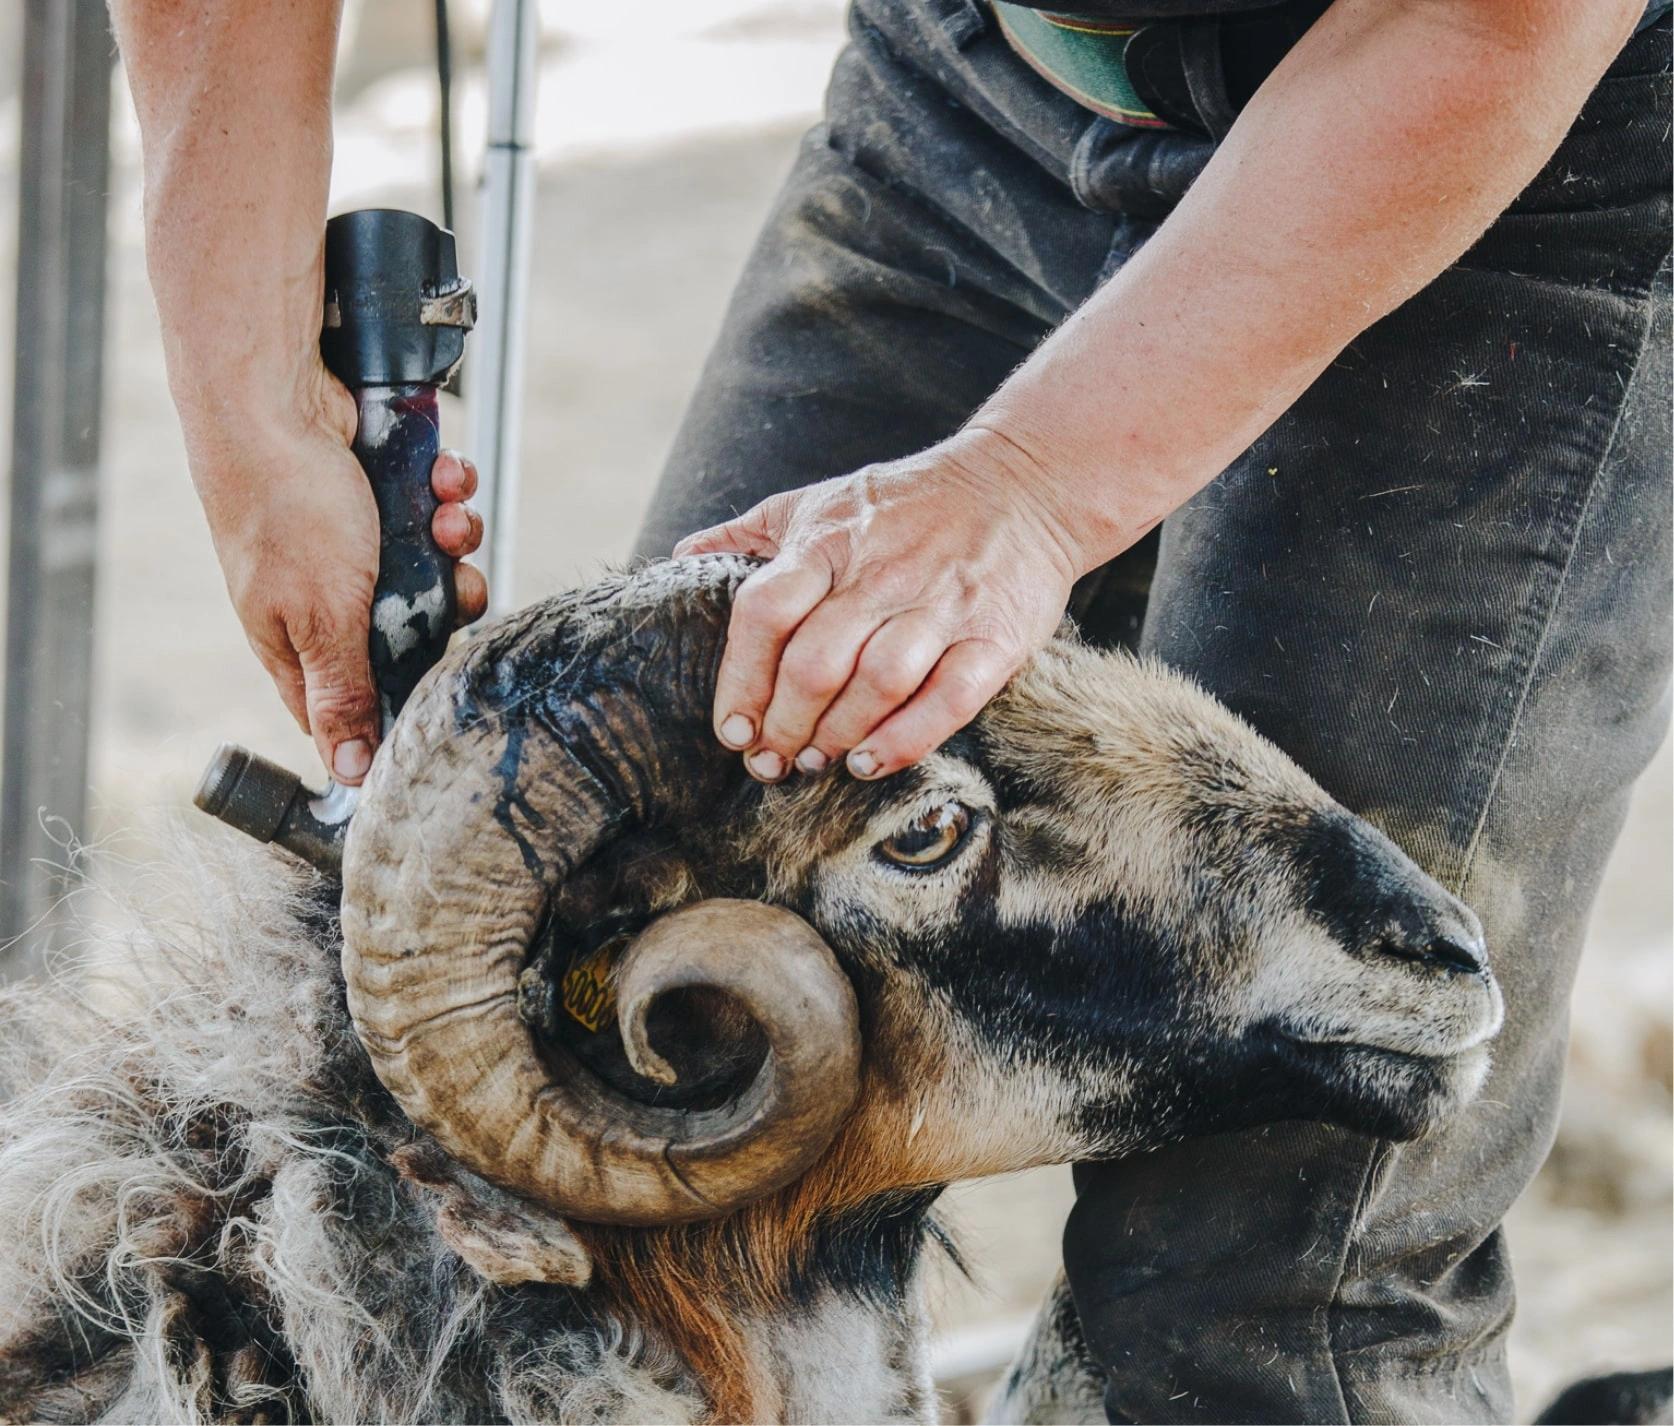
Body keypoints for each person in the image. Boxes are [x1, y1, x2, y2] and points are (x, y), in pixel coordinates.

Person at [114, 1, 1670, 1420]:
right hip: (980, 83)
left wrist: (1024, 487)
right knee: (615, 1078)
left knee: (1260, 1288)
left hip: (1487, 130)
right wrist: (248, 387)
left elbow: (1493, 19)